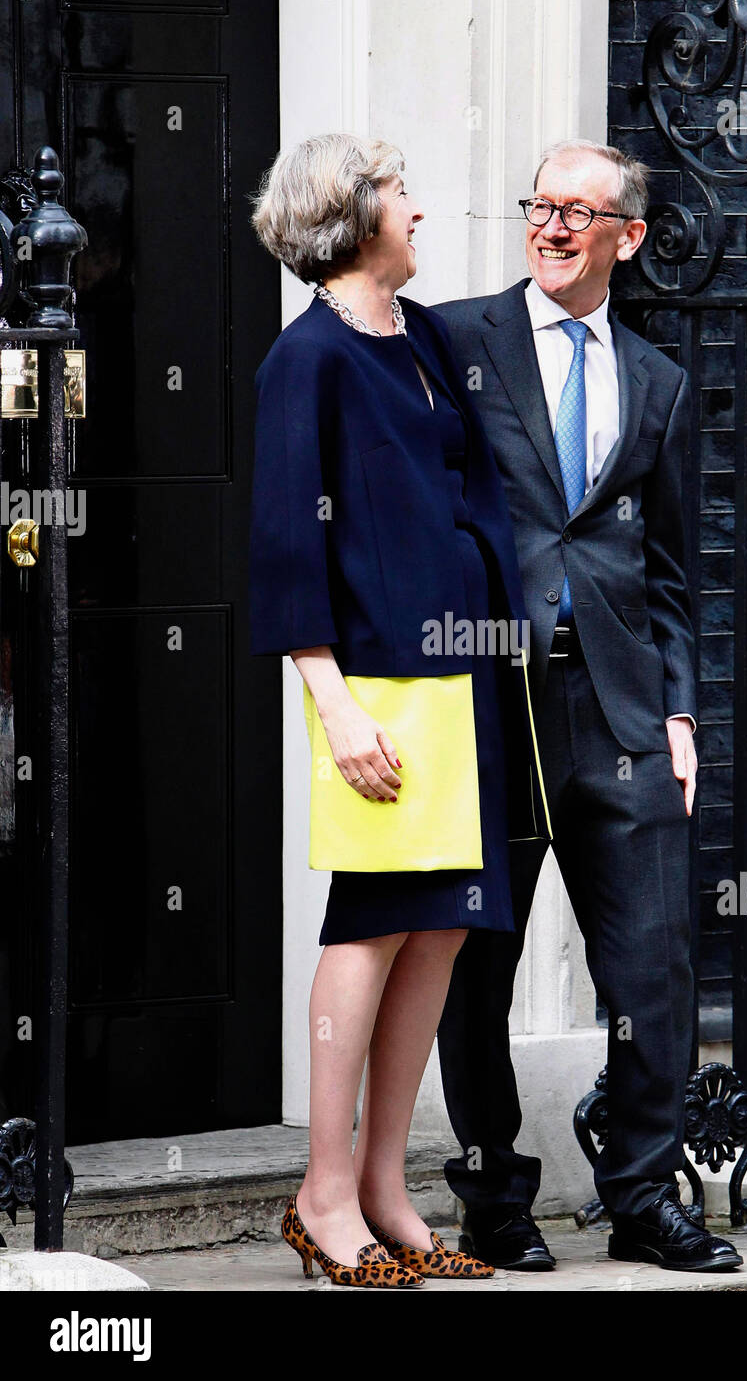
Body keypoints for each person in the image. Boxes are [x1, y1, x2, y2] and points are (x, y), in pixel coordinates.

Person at [434, 139, 743, 1272]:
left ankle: (645, 1197)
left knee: (653, 961)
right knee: (475, 959)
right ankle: (492, 1194)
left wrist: (680, 710)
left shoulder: (656, 382)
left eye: (579, 212)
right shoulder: (457, 338)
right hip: (488, 699)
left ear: (629, 236)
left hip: (620, 714)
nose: (553, 227)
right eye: (541, 206)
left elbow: (671, 569)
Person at [247, 132, 548, 1288]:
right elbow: (285, 545)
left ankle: (382, 1185)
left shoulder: (419, 336)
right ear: (354, 212)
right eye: (402, 193)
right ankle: (323, 1193)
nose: (421, 211)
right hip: (373, 686)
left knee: (442, 923)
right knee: (371, 922)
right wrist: (332, 706)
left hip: (461, 675)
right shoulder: (306, 358)